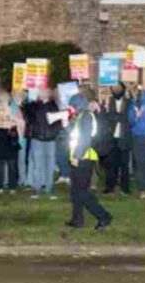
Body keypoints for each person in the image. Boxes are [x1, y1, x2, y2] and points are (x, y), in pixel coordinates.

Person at [66, 92, 113, 230]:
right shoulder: (81, 116)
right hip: (81, 157)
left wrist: (77, 156)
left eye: (72, 106)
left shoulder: (86, 116)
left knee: (82, 192)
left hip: (84, 158)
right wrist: (67, 125)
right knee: (75, 191)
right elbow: (76, 135)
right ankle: (77, 219)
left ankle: (104, 216)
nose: (71, 109)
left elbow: (85, 139)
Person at [25, 87, 62, 199]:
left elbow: (58, 122)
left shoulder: (54, 106)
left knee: (50, 164)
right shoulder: (33, 106)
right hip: (37, 138)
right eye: (41, 91)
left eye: (46, 91)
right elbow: (30, 117)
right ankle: (37, 188)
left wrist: (54, 133)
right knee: (37, 165)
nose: (44, 93)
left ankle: (50, 188)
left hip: (50, 140)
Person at [101, 81, 132, 195]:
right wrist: (118, 117)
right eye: (114, 88)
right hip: (111, 137)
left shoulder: (129, 103)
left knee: (124, 164)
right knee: (111, 164)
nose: (116, 90)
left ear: (123, 89)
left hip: (124, 137)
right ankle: (110, 187)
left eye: (118, 88)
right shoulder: (109, 102)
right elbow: (105, 117)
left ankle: (125, 188)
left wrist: (115, 117)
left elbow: (129, 118)